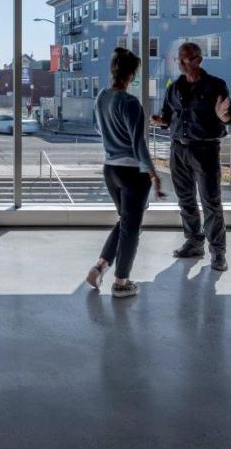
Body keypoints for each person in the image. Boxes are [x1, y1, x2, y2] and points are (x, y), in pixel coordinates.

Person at [151, 41, 231, 272]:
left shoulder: (215, 86)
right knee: (185, 200)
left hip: (205, 151)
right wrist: (161, 121)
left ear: (198, 60)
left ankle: (218, 253)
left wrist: (223, 115)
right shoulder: (174, 87)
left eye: (185, 59)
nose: (180, 63)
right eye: (178, 59)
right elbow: (169, 116)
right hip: (178, 150)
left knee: (211, 203)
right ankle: (194, 242)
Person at [86, 48, 165, 298]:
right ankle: (121, 282)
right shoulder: (130, 103)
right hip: (132, 173)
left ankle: (100, 267)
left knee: (125, 222)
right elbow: (139, 144)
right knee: (132, 227)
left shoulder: (101, 97)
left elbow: (99, 130)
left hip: (110, 169)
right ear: (132, 74)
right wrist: (153, 175)